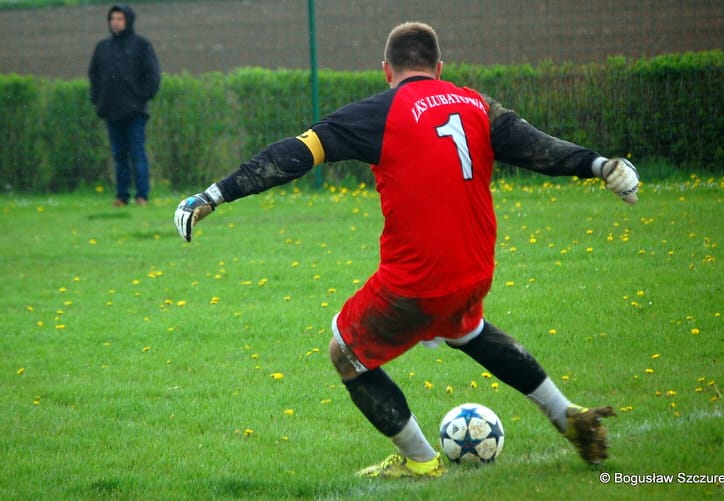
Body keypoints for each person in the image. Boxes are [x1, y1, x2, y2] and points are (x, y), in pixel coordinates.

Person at [174, 22, 639, 478]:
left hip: (418, 279)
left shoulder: (382, 110)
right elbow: (538, 148)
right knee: (467, 330)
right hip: (475, 268)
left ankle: (420, 459)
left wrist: (214, 195)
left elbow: (291, 155)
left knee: (346, 352)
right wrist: (601, 165)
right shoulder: (475, 103)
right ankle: (566, 414)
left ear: (386, 70)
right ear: (439, 67)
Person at [88, 4, 161, 207]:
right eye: (113, 18)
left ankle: (142, 196)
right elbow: (94, 76)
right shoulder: (103, 48)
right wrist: (98, 99)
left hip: (135, 111)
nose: (115, 22)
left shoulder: (141, 45)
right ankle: (121, 196)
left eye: (119, 18)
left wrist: (140, 97)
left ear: (128, 21)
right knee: (119, 156)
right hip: (111, 111)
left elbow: (153, 76)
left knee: (138, 154)